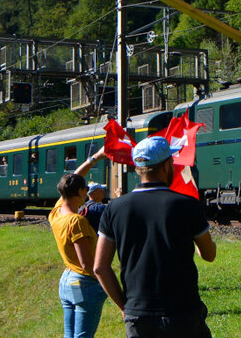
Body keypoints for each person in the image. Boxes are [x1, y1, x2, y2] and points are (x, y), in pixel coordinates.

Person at [94, 136, 217, 338]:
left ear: (138, 169)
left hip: (138, 314)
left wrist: (125, 307)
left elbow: (99, 267)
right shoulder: (187, 204)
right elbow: (209, 254)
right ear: (167, 166)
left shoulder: (114, 208)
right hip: (183, 311)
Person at [49, 145, 110, 338]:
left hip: (67, 281)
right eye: (85, 190)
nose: (87, 193)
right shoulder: (76, 221)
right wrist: (104, 282)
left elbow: (73, 178)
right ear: (80, 192)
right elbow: (86, 264)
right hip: (84, 283)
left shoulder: (56, 213)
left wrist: (96, 157)